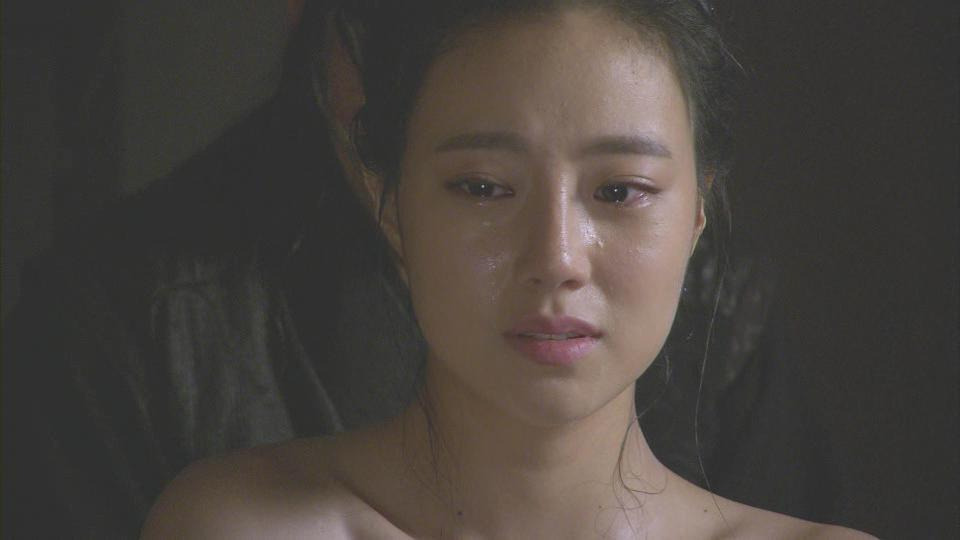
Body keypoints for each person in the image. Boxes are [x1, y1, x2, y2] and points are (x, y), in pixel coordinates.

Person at [139, 1, 873, 537]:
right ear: (392, 204)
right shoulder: (238, 527)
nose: (556, 258)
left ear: (697, 212)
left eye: (620, 192)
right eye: (483, 187)